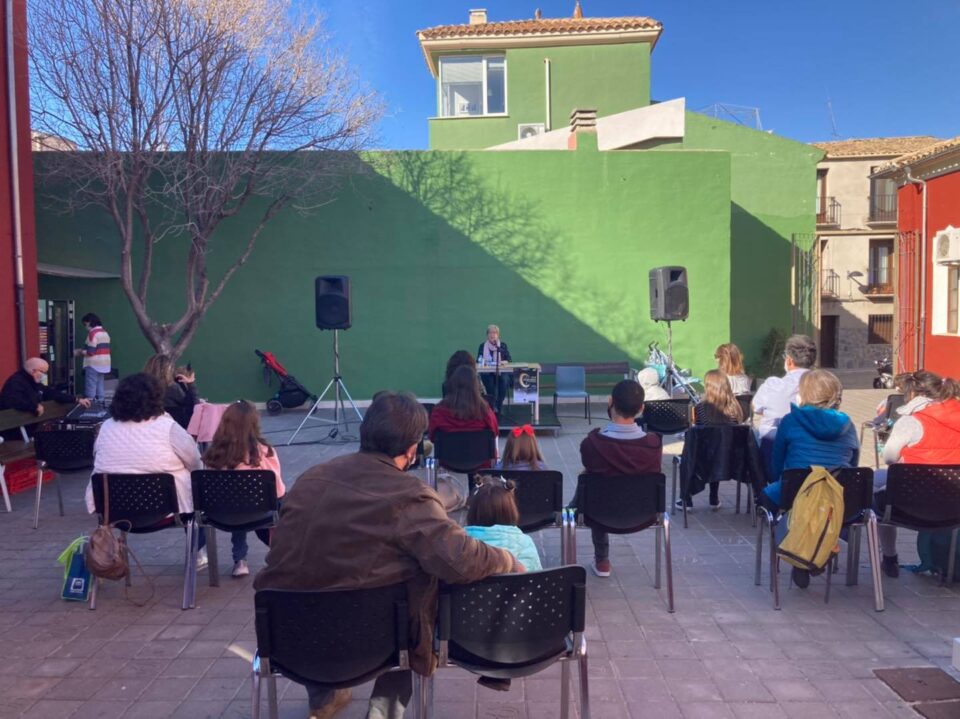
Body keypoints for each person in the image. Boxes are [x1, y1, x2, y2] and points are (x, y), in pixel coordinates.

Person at [253, 391, 522, 719]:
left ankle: (324, 698)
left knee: (318, 576)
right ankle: (383, 712)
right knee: (410, 600)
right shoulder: (410, 497)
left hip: (288, 637)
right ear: (411, 451)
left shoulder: (311, 478)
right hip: (375, 642)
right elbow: (460, 560)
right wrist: (507, 559)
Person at [85, 373, 203, 557]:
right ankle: (197, 553)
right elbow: (195, 461)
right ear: (156, 398)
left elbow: (97, 457)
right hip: (168, 511)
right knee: (194, 491)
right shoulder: (168, 427)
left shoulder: (106, 428)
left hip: (114, 510)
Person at [874, 370, 960, 578]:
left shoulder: (911, 422)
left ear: (912, 394)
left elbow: (889, 457)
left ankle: (890, 557)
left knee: (876, 487)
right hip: (954, 504)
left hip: (909, 505)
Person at [577, 380, 663, 577]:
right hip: (645, 514)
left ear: (610, 402)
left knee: (593, 484)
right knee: (600, 485)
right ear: (641, 408)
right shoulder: (654, 444)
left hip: (598, 513)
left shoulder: (592, 444)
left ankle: (602, 560)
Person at [202, 400, 285, 578]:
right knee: (277, 502)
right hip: (259, 512)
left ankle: (240, 560)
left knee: (236, 502)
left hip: (221, 514)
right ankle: (282, 553)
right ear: (254, 424)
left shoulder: (214, 455)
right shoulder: (265, 451)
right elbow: (277, 491)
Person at [679, 370, 745, 511]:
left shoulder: (700, 408)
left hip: (703, 458)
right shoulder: (736, 408)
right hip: (731, 458)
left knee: (692, 451)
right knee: (719, 447)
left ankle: (687, 499)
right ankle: (713, 498)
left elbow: (698, 433)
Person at [753, 334, 817, 467]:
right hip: (812, 458)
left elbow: (756, 408)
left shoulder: (772, 384)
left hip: (772, 455)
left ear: (789, 360)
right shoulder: (821, 386)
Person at [429, 365, 499, 445]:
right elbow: (495, 433)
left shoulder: (439, 412)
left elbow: (432, 436)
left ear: (453, 385)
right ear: (476, 386)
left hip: (448, 457)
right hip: (479, 457)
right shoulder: (485, 411)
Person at [0, 357, 90, 417]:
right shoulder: (16, 382)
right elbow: (13, 401)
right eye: (43, 372)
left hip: (30, 425)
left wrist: (76, 399)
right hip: (16, 429)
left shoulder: (34, 382)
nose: (44, 375)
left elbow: (50, 393)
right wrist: (34, 407)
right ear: (33, 371)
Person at [143, 354, 199, 429]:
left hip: (148, 426)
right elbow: (195, 405)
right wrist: (190, 384)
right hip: (174, 428)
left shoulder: (142, 387)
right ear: (167, 370)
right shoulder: (172, 387)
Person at [75, 313, 111, 402]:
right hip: (104, 364)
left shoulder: (92, 333)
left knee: (90, 386)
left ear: (89, 323)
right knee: (100, 385)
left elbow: (91, 352)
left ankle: (90, 405)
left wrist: (79, 351)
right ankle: (101, 406)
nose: (85, 327)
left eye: (85, 324)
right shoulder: (104, 332)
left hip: (93, 364)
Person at [477, 324, 512, 414]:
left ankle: (498, 404)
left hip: (501, 372)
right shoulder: (482, 346)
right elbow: (478, 360)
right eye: (490, 332)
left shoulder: (502, 346)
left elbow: (509, 359)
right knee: (488, 379)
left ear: (498, 335)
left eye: (495, 332)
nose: (492, 335)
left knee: (505, 379)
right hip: (487, 372)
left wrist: (503, 362)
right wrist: (483, 361)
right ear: (487, 335)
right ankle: (492, 404)